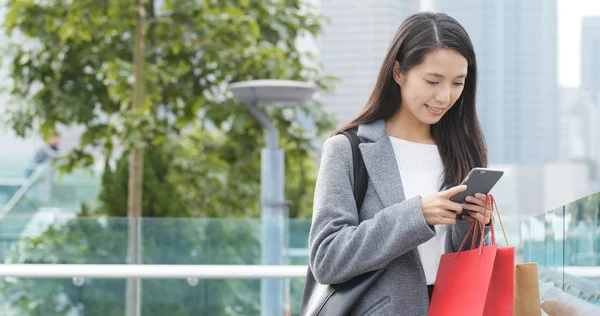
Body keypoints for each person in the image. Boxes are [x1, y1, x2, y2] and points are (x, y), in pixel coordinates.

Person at [308, 12, 493, 315]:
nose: (444, 96)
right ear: (398, 72)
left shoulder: (463, 150)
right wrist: (416, 215)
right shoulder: (348, 149)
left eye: (458, 83)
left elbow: (463, 261)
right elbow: (327, 259)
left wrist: (476, 224)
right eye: (432, 80)